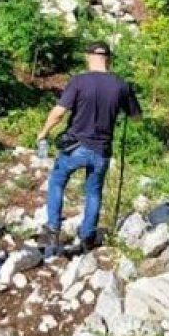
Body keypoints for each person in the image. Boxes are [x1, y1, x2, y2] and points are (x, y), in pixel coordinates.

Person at [36, 41, 142, 256]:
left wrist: (44, 132)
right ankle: (87, 238)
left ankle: (53, 229)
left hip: (76, 146)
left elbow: (59, 112)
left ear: (88, 57)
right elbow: (137, 117)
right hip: (102, 150)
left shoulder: (79, 81)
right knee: (93, 192)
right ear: (109, 59)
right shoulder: (121, 84)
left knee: (57, 181)